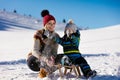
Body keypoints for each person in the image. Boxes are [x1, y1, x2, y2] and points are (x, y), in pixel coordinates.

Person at [31, 9, 60, 78]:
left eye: (53, 23)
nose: (52, 25)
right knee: (33, 62)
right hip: (36, 57)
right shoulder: (39, 34)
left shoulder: (56, 36)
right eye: (49, 23)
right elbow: (34, 51)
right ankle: (44, 69)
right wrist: (45, 59)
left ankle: (47, 68)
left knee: (62, 59)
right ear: (45, 24)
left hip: (49, 57)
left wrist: (52, 58)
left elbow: (54, 51)